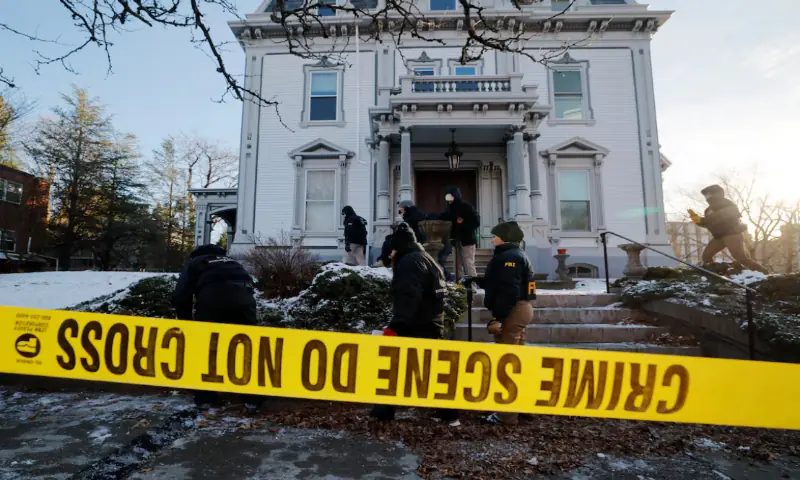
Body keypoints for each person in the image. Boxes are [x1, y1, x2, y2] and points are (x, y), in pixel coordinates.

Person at [370, 222, 460, 426]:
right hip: (432, 323)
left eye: (392, 250)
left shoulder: (409, 263)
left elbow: (408, 297)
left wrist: (396, 326)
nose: (390, 255)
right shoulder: (426, 259)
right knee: (433, 370)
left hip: (415, 325)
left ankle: (383, 413)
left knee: (391, 368)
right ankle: (449, 414)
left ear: (397, 248)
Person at [172, 244, 263, 411]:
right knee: (245, 347)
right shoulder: (232, 261)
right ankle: (252, 397)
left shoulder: (196, 262)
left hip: (213, 298)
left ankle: (206, 397)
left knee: (207, 347)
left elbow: (181, 295)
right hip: (245, 301)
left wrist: (186, 324)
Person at [474, 221, 534, 425]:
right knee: (516, 361)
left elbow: (509, 289)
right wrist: (476, 280)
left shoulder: (509, 257)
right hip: (521, 308)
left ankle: (506, 415)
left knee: (507, 363)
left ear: (505, 237)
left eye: (495, 235)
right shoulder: (516, 254)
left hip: (513, 311)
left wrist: (498, 317)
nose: (492, 239)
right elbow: (503, 282)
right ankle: (522, 406)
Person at [694, 184, 768, 274]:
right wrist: (697, 220)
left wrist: (704, 220)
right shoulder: (708, 210)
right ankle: (713, 274)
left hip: (732, 234)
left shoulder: (728, 204)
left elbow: (721, 216)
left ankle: (763, 272)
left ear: (717, 194)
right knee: (706, 256)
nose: (707, 197)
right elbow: (708, 223)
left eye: (708, 195)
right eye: (705, 195)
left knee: (741, 258)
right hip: (719, 237)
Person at [442, 187, 480, 280]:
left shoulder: (467, 206)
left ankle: (473, 284)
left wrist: (463, 222)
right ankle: (458, 285)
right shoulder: (449, 208)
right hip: (455, 240)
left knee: (469, 262)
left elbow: (476, 222)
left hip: (468, 239)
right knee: (457, 264)